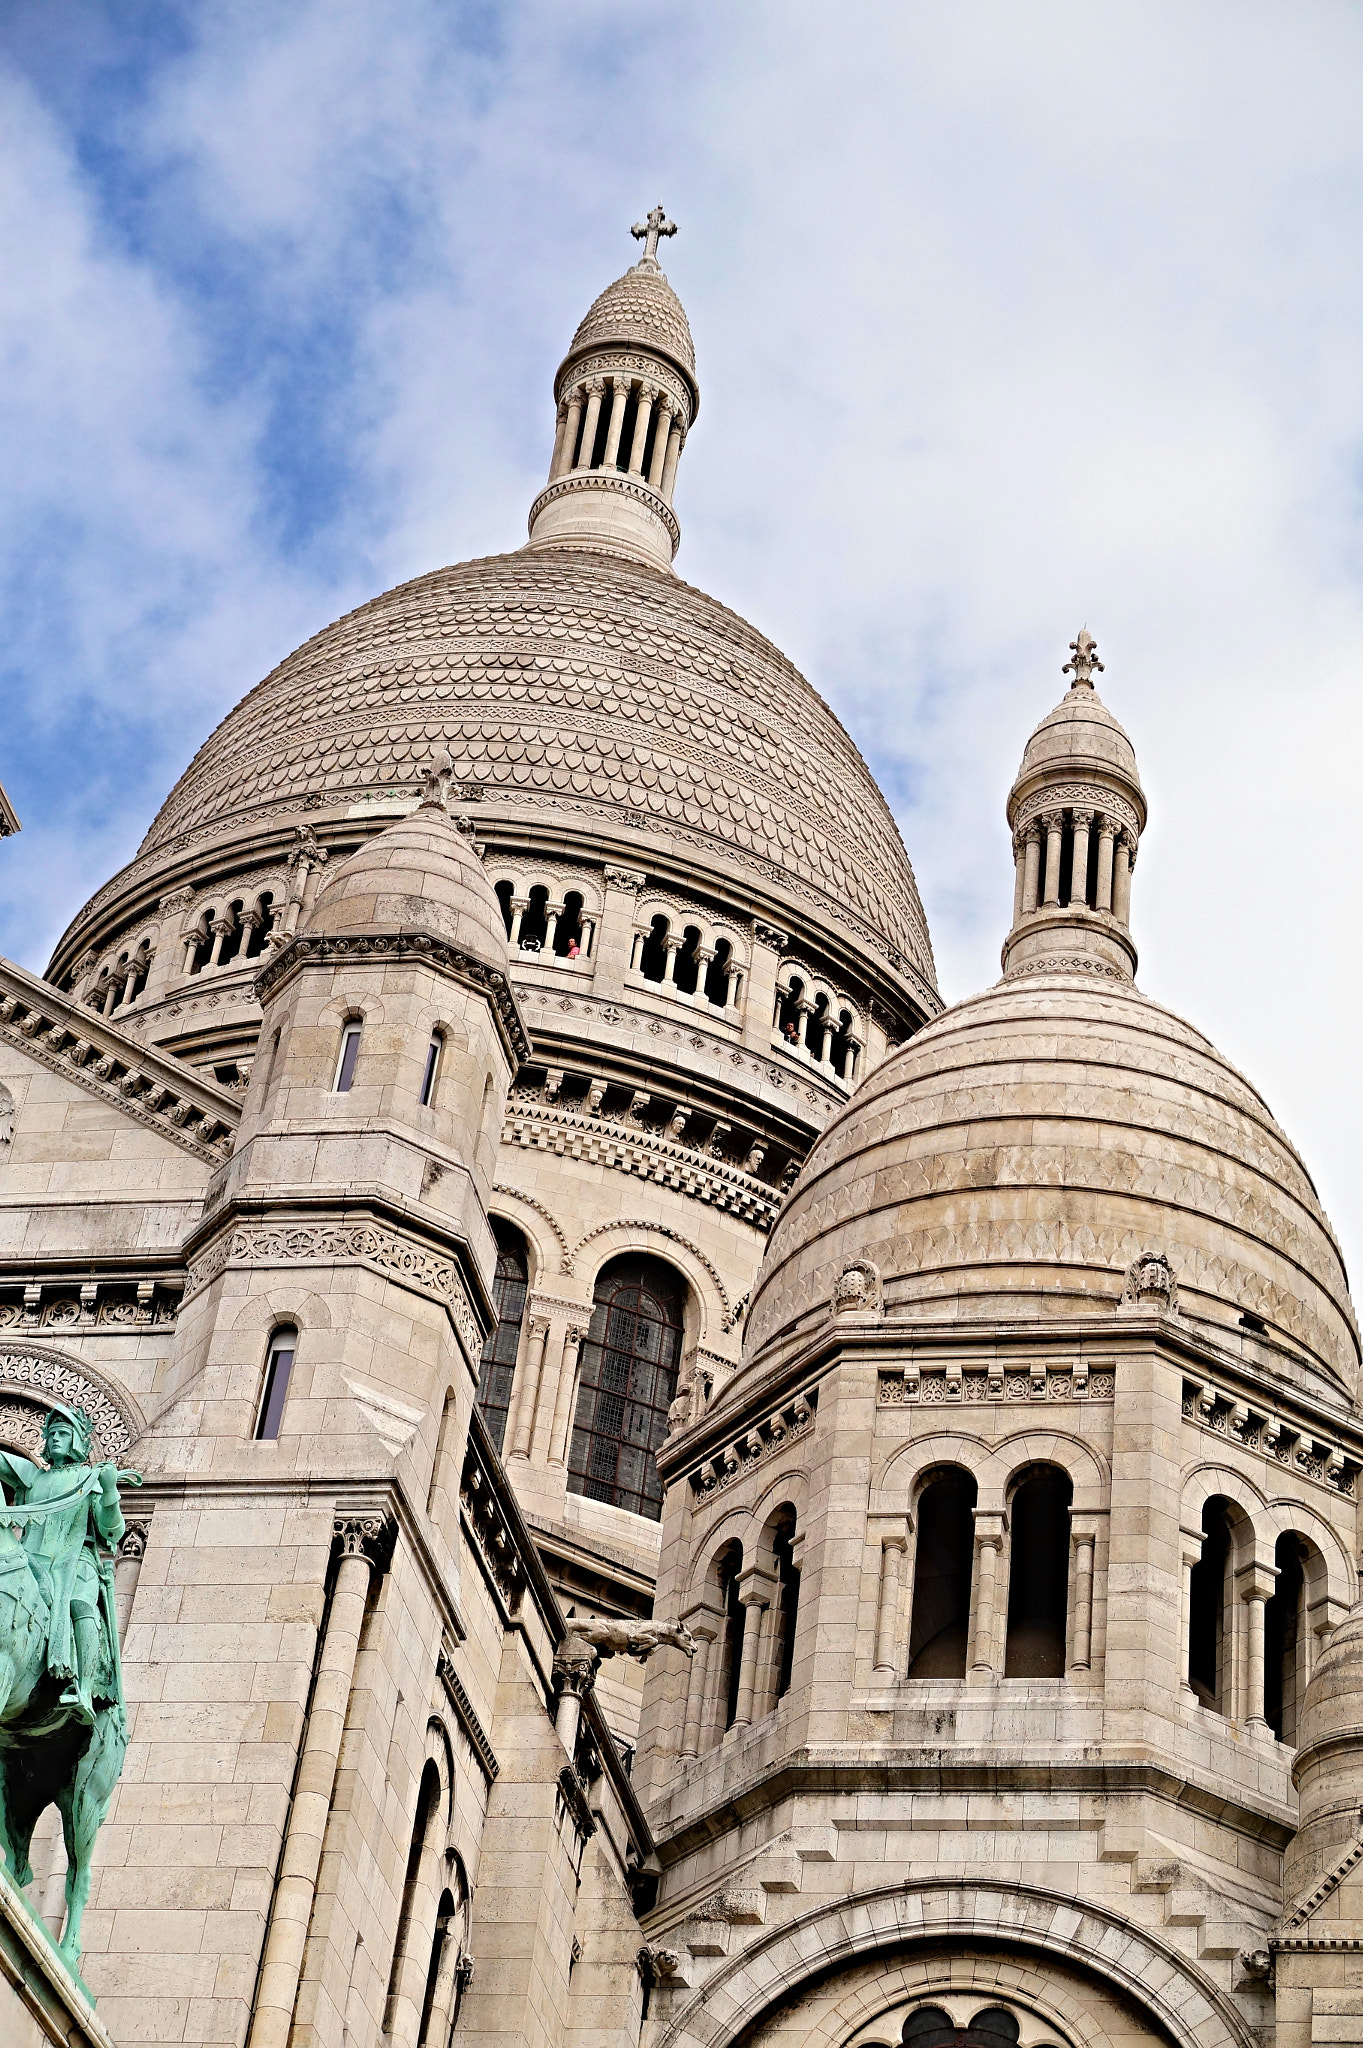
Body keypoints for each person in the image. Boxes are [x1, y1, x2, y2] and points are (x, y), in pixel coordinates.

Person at [0, 1406, 129, 1724]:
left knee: (79, 1604)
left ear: (76, 1442)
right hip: (31, 1559)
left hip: (76, 1561)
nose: (55, 1439)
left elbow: (112, 1531)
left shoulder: (89, 1479)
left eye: (63, 1433)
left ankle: (83, 1689)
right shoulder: (32, 1475)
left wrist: (110, 1489)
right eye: (52, 1434)